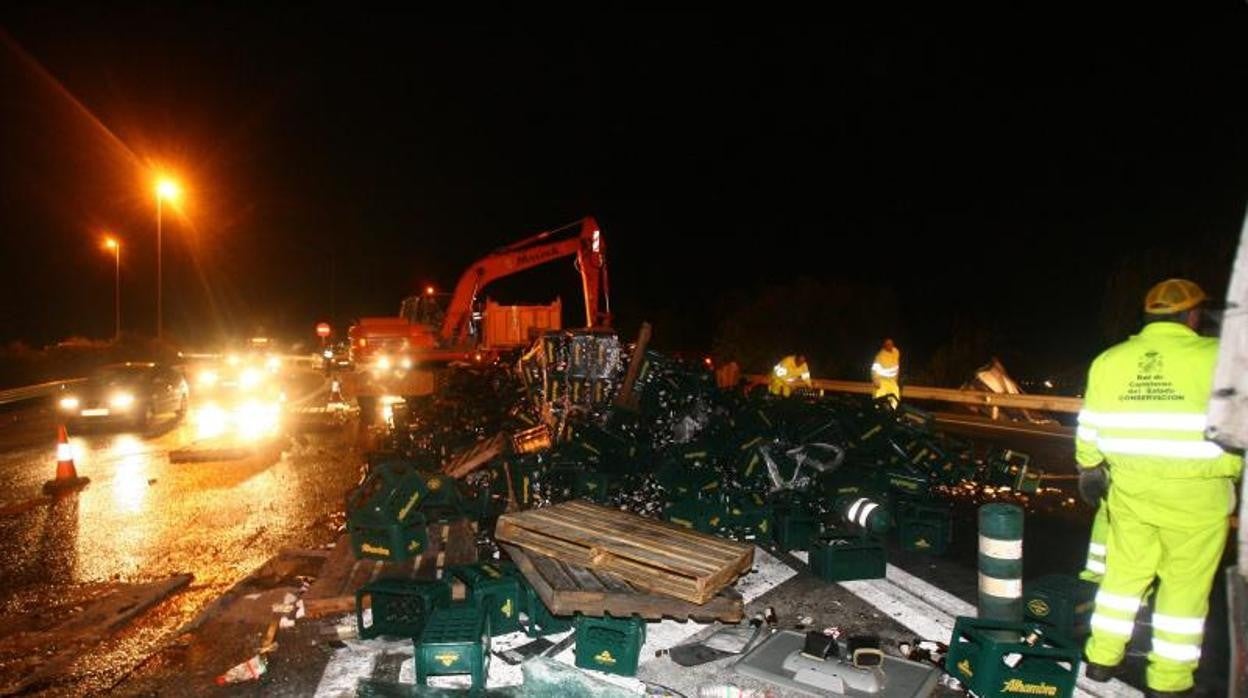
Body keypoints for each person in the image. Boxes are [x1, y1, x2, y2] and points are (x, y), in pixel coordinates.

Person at [1076, 278, 1242, 697]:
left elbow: (1089, 426)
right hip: (1198, 497)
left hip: (1130, 491)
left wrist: (1089, 468)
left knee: (1122, 577)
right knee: (1183, 590)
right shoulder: (1219, 359)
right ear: (1193, 315)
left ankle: (1101, 658)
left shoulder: (1110, 361)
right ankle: (1168, 681)